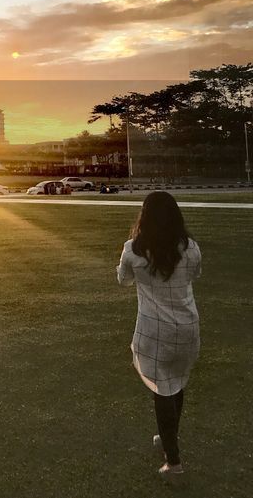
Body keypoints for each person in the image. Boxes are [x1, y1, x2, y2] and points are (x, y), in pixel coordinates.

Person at [117, 191, 201, 478]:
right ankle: (169, 437)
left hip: (154, 330)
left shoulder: (133, 250)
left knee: (161, 389)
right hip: (187, 327)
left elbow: (123, 280)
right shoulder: (190, 248)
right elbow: (194, 275)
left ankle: (173, 461)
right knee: (176, 382)